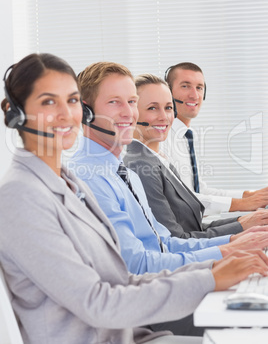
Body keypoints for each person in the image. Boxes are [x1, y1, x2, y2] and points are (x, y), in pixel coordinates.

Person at [0, 53, 253, 344]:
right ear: (16, 113)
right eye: (48, 101)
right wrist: (211, 275)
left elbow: (120, 276)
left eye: (71, 101)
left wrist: (216, 266)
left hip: (128, 333)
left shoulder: (68, 182)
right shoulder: (21, 196)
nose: (66, 114)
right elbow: (99, 301)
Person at [69, 61, 268, 336]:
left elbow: (165, 244)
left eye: (132, 102)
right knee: (257, 324)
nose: (129, 112)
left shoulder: (123, 171)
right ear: (84, 111)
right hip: (146, 311)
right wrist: (220, 258)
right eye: (115, 102)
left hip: (164, 289)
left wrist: (231, 243)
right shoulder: (90, 177)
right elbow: (136, 266)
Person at [124, 73, 268, 238]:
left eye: (168, 108)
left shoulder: (159, 159)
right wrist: (241, 226)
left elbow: (194, 226)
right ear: (132, 114)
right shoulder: (140, 166)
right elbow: (176, 241)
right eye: (152, 108)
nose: (164, 117)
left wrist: (248, 221)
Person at [162, 62, 268, 215]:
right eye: (185, 86)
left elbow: (199, 190)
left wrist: (250, 195)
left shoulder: (185, 137)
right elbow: (183, 199)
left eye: (199, 87)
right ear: (168, 92)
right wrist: (244, 203)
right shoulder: (163, 138)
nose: (194, 95)